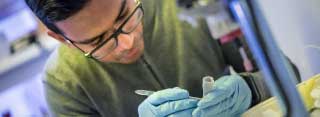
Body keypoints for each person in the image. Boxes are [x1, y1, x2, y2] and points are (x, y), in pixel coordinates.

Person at [25, 0, 254, 116]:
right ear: (61, 38)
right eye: (98, 41)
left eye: (124, 15)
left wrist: (252, 88)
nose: (127, 44)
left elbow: (287, 72)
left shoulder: (189, 5)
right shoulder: (63, 81)